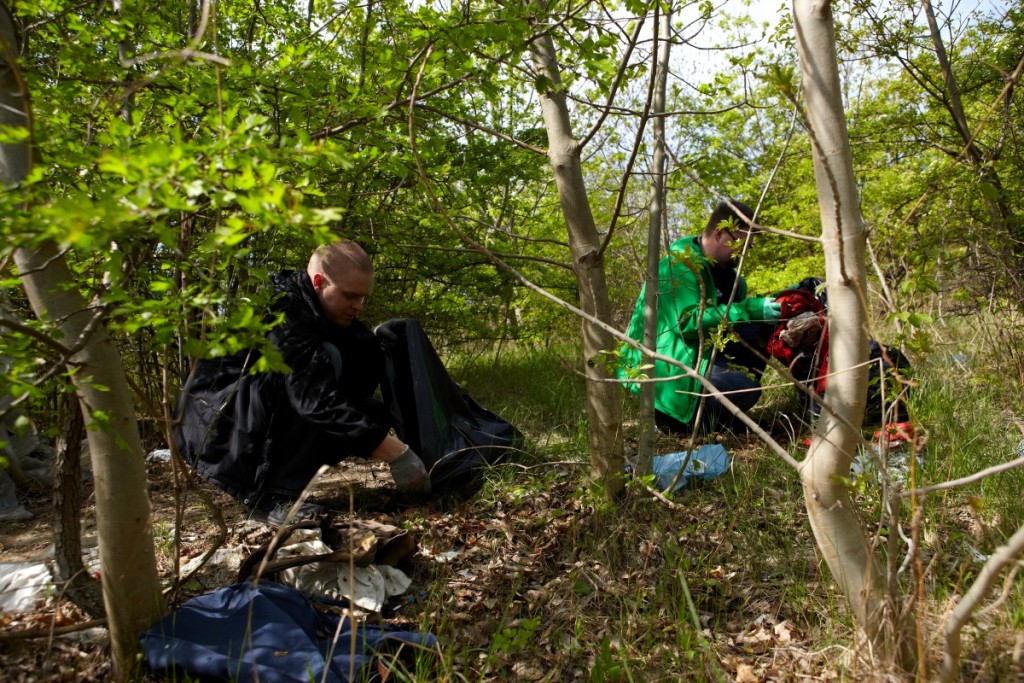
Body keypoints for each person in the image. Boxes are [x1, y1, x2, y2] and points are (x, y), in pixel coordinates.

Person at [174, 240, 431, 525]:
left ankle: (285, 481)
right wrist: (396, 453)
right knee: (318, 367)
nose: (358, 306)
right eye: (350, 296)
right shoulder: (281, 310)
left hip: (254, 416)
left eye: (363, 298)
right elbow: (313, 399)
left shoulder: (324, 311)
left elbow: (350, 394)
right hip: (217, 427)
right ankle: (268, 496)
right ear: (319, 281)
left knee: (369, 395)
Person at [617, 200, 782, 434]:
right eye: (741, 246)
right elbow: (687, 324)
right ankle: (676, 422)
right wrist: (751, 309)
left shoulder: (733, 279)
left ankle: (717, 415)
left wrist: (775, 306)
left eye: (749, 248)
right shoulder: (678, 267)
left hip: (702, 357)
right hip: (669, 374)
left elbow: (732, 324)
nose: (744, 254)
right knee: (747, 388)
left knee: (764, 329)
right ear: (719, 233)